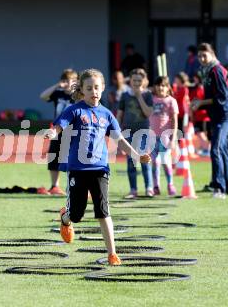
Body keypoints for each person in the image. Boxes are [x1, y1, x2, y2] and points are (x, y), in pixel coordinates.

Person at [44, 68, 151, 266]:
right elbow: (60, 126)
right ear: (82, 91)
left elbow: (119, 140)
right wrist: (53, 133)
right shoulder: (75, 109)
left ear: (102, 89)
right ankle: (65, 217)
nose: (93, 91)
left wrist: (136, 155)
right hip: (77, 169)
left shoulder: (107, 114)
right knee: (77, 214)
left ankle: (112, 254)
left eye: (97, 87)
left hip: (100, 169)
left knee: (103, 211)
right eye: (89, 88)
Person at [191, 43, 228, 199]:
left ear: (212, 54)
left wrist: (201, 103)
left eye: (205, 55)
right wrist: (199, 101)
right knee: (221, 150)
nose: (202, 58)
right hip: (217, 116)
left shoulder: (216, 70)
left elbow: (222, 98)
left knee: (215, 148)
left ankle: (219, 188)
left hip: (225, 115)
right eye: (200, 56)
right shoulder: (207, 70)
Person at [39, 69, 78, 195]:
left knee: (73, 158)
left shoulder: (78, 96)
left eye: (72, 80)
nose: (68, 83)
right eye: (66, 80)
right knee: (53, 156)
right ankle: (54, 186)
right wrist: (57, 85)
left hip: (72, 131)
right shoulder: (58, 93)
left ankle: (73, 186)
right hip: (57, 130)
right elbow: (43, 96)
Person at [117, 68, 154, 198]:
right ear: (130, 81)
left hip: (143, 132)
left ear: (144, 81)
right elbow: (120, 114)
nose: (137, 83)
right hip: (128, 133)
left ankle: (149, 188)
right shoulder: (125, 95)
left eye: (139, 80)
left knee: (145, 159)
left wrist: (139, 96)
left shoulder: (148, 95)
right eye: (134, 80)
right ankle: (133, 190)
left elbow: (148, 113)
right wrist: (117, 131)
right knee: (131, 161)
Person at [149, 76, 178, 196]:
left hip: (165, 137)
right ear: (155, 87)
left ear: (168, 88)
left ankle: (170, 184)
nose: (161, 88)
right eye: (159, 85)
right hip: (152, 137)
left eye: (164, 85)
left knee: (165, 161)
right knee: (155, 162)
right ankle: (156, 186)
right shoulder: (150, 99)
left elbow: (175, 120)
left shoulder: (171, 101)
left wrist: (174, 137)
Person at [189, 73, 210, 156]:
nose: (194, 80)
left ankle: (208, 149)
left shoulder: (202, 89)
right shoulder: (195, 89)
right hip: (197, 115)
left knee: (202, 133)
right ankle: (206, 149)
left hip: (204, 116)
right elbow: (192, 101)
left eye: (196, 78)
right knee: (200, 133)